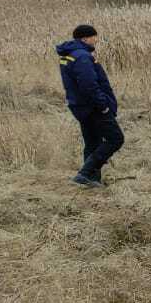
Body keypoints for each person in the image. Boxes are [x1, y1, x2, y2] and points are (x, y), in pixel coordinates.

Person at [56, 24, 125, 187]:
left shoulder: (69, 55)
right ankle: (85, 173)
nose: (96, 40)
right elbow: (88, 85)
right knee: (116, 139)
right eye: (94, 37)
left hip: (79, 106)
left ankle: (91, 180)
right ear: (85, 38)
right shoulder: (82, 57)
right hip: (93, 107)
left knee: (92, 141)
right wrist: (103, 105)